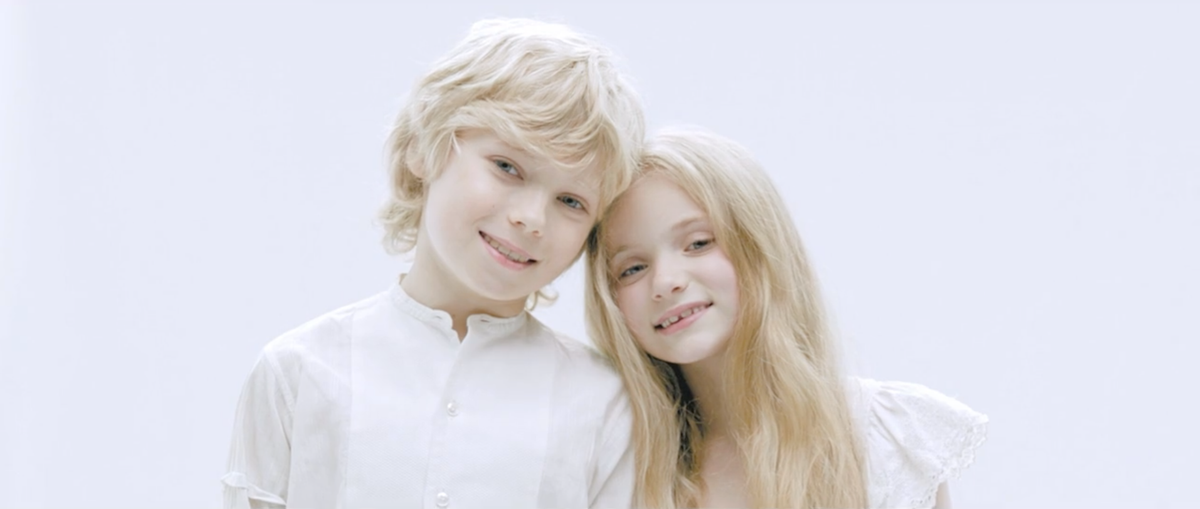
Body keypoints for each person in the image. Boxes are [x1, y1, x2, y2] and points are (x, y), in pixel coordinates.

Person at [223, 18, 645, 508]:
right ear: (427, 146)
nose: (532, 219)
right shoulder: (299, 373)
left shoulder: (602, 404)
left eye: (571, 201)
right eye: (507, 167)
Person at [585, 128, 987, 508]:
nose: (666, 282)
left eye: (698, 243)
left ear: (760, 244)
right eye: (631, 269)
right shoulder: (619, 470)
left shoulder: (882, 437)